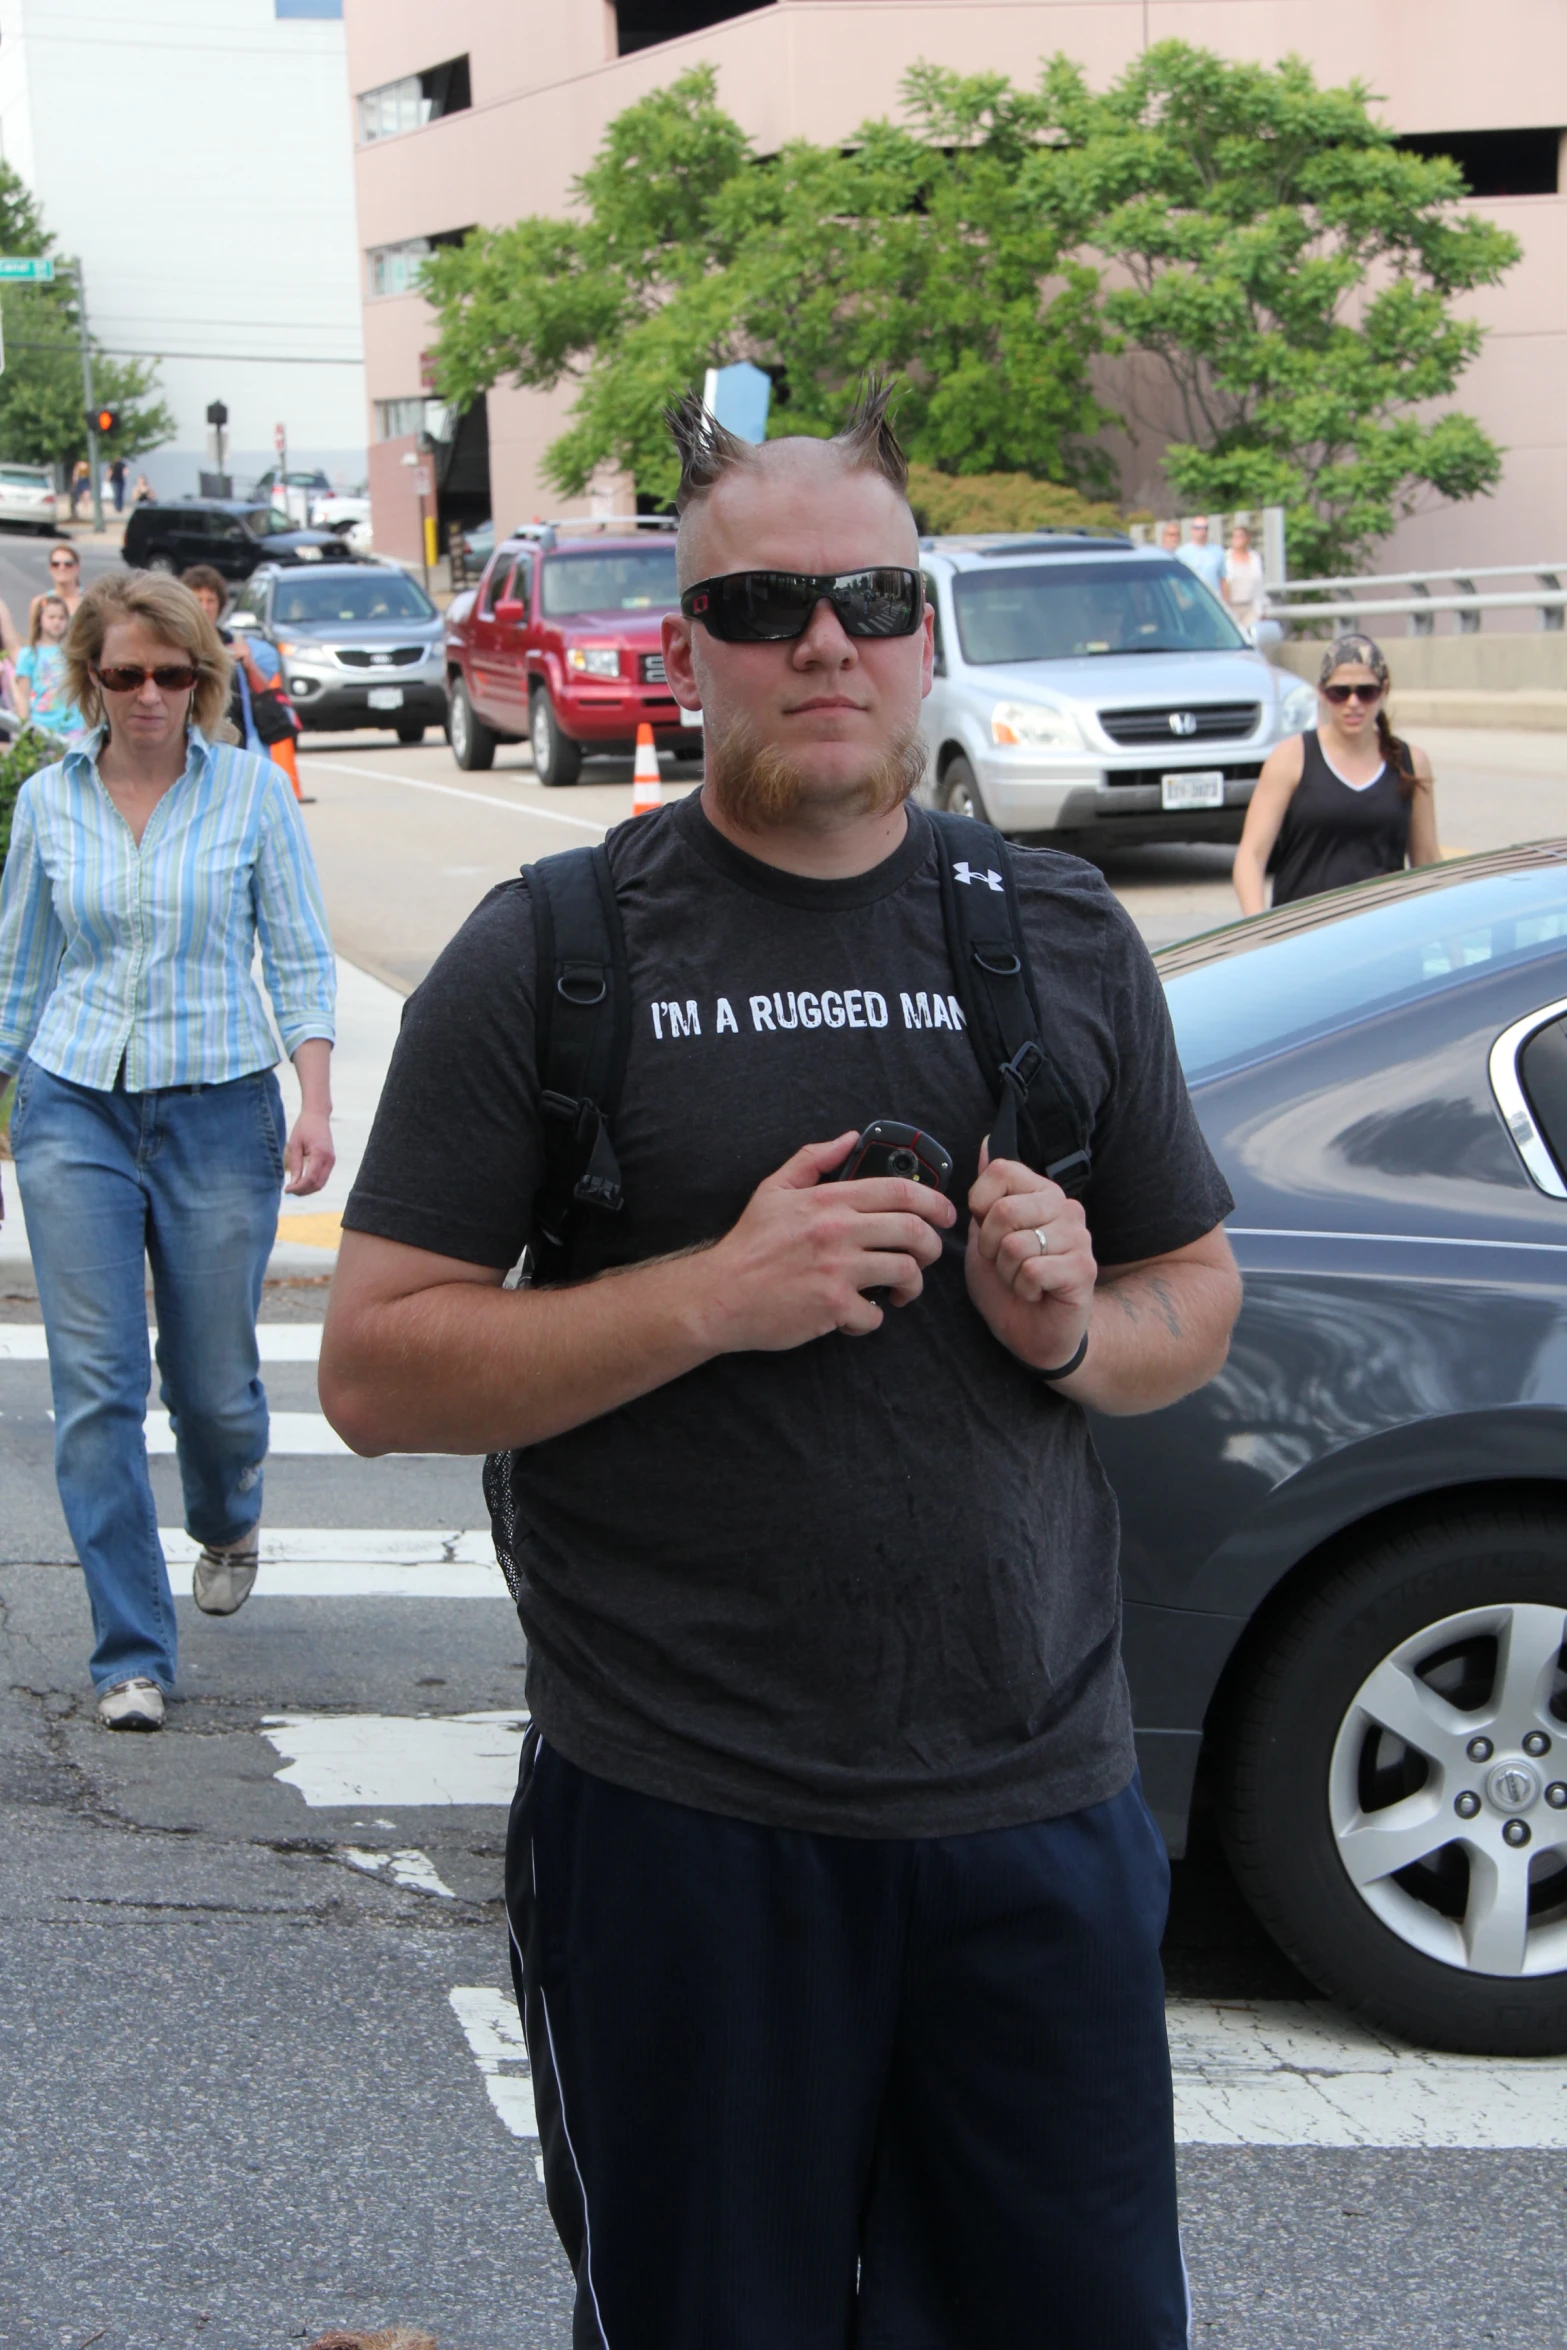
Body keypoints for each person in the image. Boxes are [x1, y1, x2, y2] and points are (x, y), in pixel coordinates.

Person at [319, 383, 1242, 2346]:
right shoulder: (559, 950)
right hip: (683, 1827)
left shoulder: (1061, 934)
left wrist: (1075, 1320)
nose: (823, 640)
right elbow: (377, 1370)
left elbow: (1193, 1302)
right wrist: (708, 1297)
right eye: (761, 606)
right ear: (683, 646)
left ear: (927, 631)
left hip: (1034, 1816)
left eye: (872, 595)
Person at [0, 570, 337, 1734]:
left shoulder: (250, 795)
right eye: (127, 673)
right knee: (97, 1393)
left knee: (214, 1385)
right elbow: (17, 972)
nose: (150, 693)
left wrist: (317, 1101)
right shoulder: (48, 805)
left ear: (200, 680)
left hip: (218, 1109)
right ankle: (130, 1653)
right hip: (73, 1105)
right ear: (90, 678)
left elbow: (298, 959)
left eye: (172, 673)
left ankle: (229, 1507)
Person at [1232, 631, 1438, 913]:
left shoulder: (1411, 762)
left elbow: (1427, 860)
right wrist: (1258, 933)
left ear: (1384, 690)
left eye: (1366, 692)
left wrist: (1452, 946)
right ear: (1322, 692)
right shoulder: (1291, 758)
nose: (1353, 703)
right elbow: (1251, 857)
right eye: (1340, 692)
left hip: (1386, 935)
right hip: (1305, 933)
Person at [180, 563, 296, 752]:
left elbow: (265, 695)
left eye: (211, 600)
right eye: (198, 600)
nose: (205, 607)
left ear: (221, 604)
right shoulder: (177, 645)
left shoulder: (235, 642)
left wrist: (249, 663)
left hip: (237, 742)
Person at [14, 593, 85, 739]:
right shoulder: (29, 654)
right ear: (40, 619)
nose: (57, 622)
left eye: (61, 618)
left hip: (71, 726)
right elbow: (22, 694)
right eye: (51, 617)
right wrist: (24, 725)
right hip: (41, 726)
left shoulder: (73, 652)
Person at [1221, 519, 1267, 641]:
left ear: (1247, 538)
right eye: (1234, 536)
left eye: (1241, 536)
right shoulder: (1226, 557)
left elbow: (1259, 585)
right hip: (1232, 606)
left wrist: (1261, 608)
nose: (1237, 539)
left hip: (1250, 607)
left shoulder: (1254, 558)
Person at [31, 543, 84, 636]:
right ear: (50, 569)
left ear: (77, 568)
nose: (62, 568)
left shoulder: (89, 600)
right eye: (56, 564)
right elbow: (34, 639)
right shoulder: (39, 602)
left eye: (68, 564)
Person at [1174, 513, 1226, 598]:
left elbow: (1222, 579)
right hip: (1191, 599)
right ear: (1192, 530)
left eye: (1205, 528)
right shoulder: (1181, 553)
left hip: (1213, 599)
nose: (1202, 532)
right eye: (1198, 528)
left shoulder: (1217, 551)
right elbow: (1176, 581)